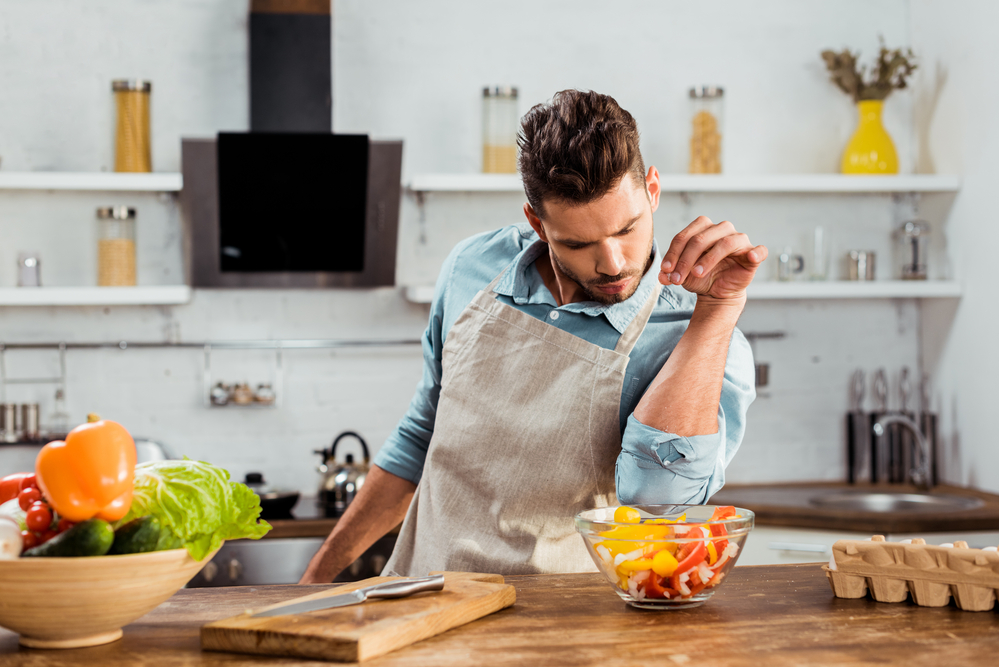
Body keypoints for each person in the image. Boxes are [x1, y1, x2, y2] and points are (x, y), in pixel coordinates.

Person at [300, 89, 765, 582]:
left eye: (627, 230)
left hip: (559, 631)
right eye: (578, 243)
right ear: (536, 222)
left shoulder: (701, 339)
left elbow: (657, 504)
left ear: (652, 190)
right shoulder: (472, 267)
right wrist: (316, 577)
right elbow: (421, 436)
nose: (612, 264)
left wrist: (718, 310)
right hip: (421, 601)